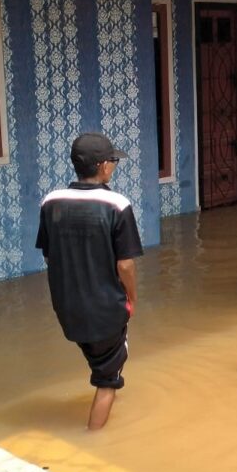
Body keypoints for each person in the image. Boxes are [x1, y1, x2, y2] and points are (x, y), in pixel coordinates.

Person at [36, 132, 143, 430]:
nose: (114, 166)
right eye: (113, 161)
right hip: (105, 311)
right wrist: (132, 298)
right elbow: (125, 265)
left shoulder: (51, 202)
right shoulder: (117, 204)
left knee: (101, 361)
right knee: (107, 382)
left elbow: (49, 256)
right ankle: (93, 438)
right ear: (103, 166)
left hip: (68, 311)